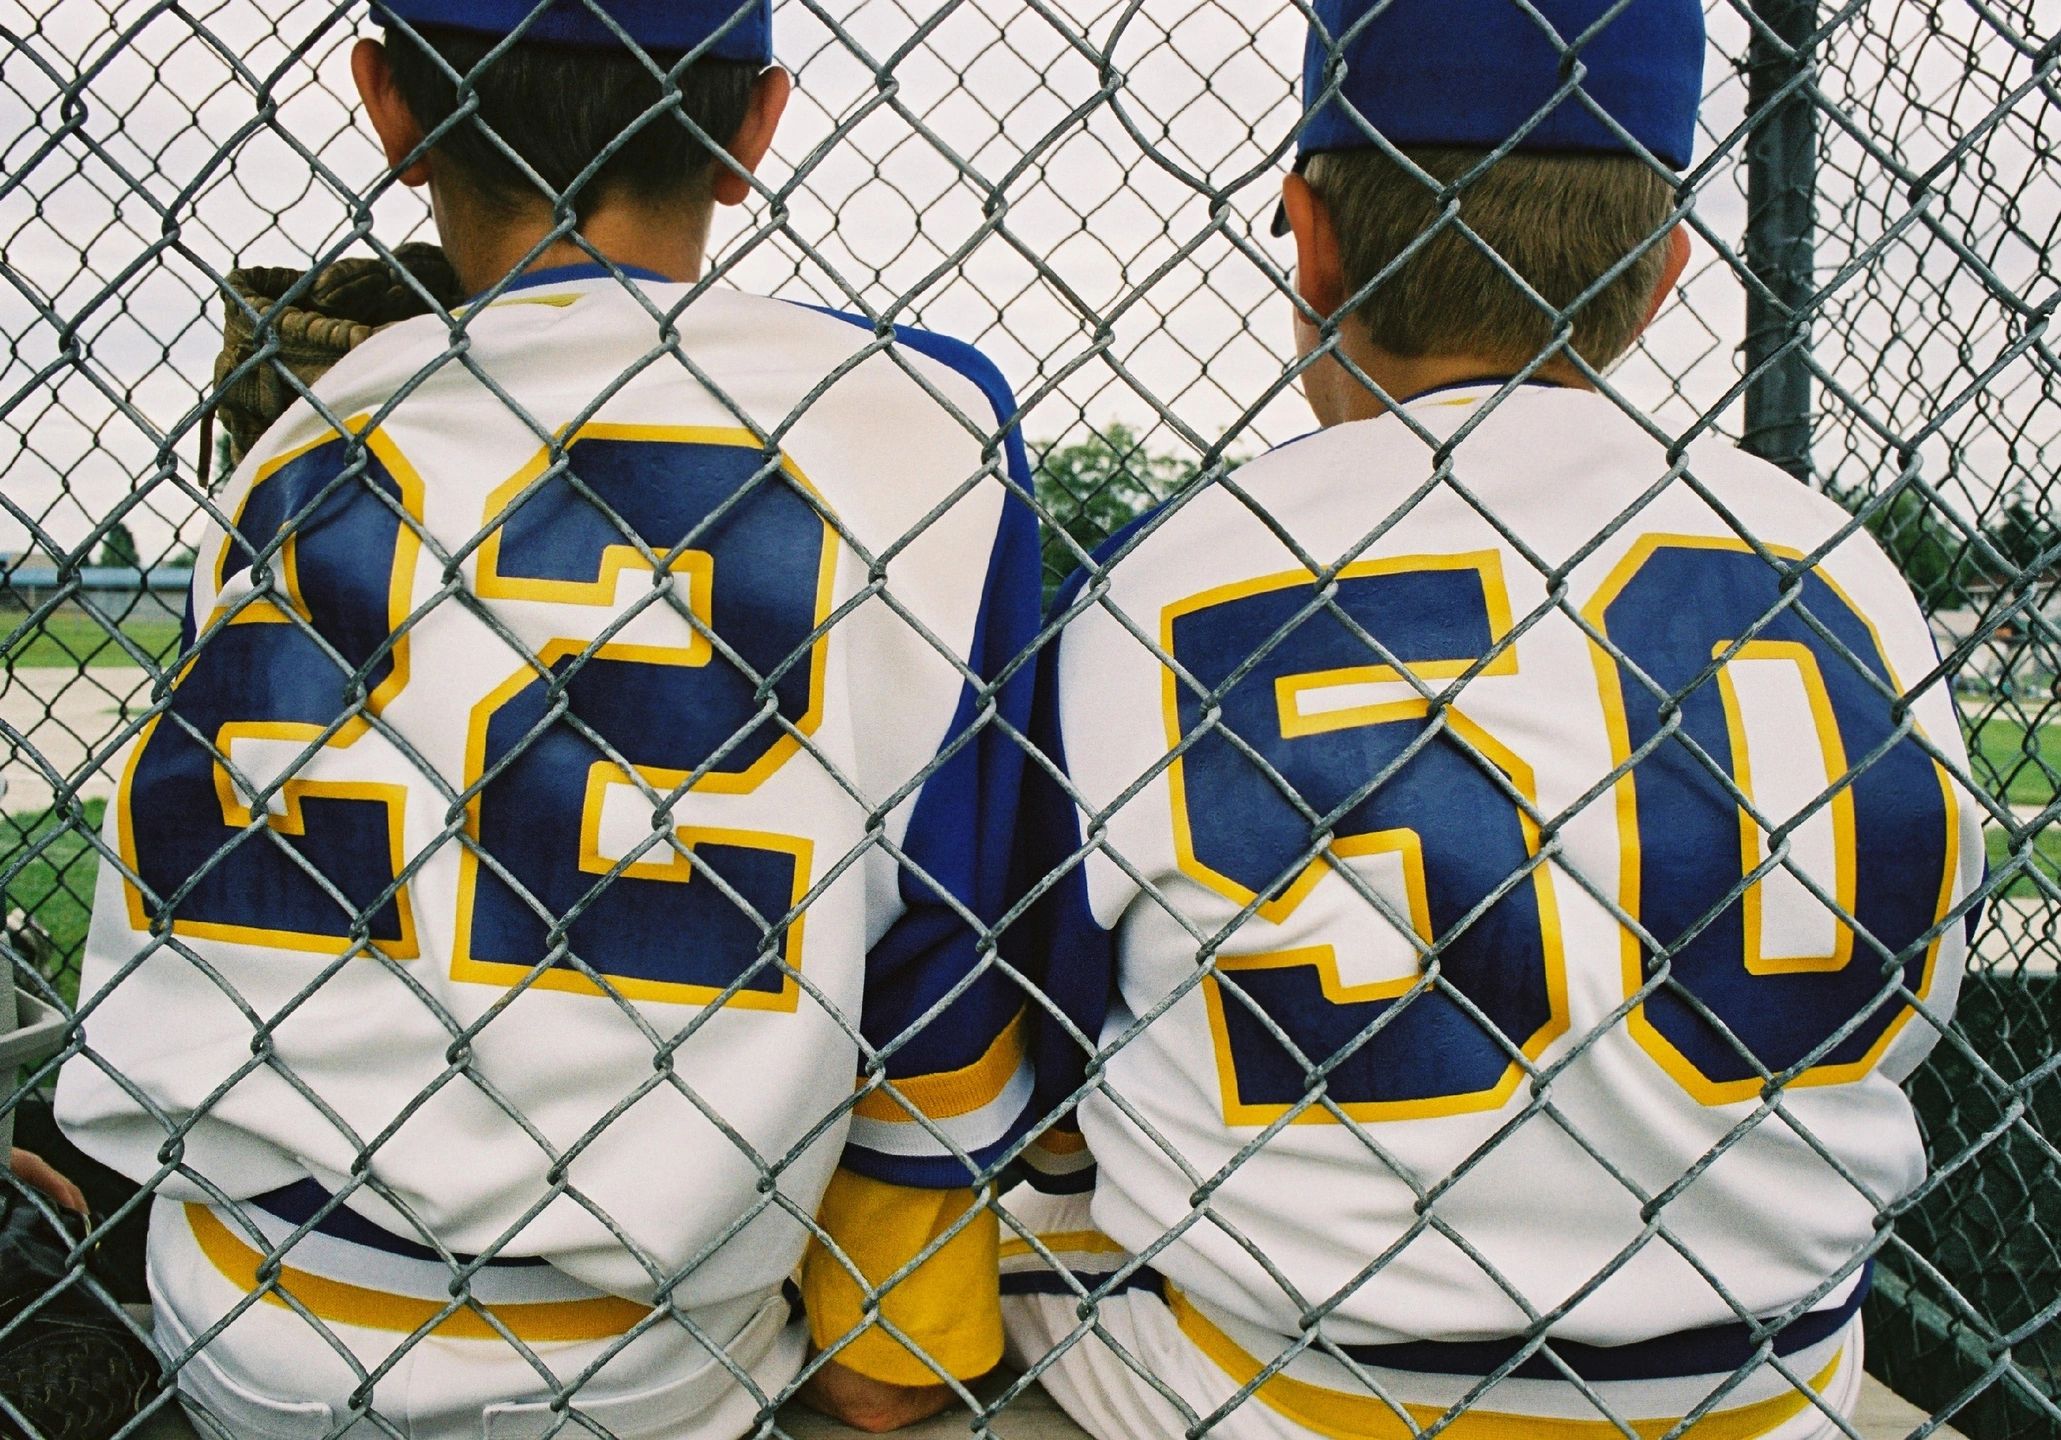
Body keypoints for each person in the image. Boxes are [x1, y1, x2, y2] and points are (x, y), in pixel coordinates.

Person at [56, 2, 1041, 1435]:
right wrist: (899, 1353)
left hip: (234, 1303)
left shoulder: (299, 431)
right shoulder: (916, 416)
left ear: (387, 104)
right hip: (617, 1354)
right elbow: (945, 949)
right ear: (754, 125)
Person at [1006, 2, 1983, 1437]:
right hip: (1769, 1384)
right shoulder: (1839, 565)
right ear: (1660, 277)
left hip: (1292, 1391)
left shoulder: (1176, 569)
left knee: (1007, 1192)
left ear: (1310, 236)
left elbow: (1036, 1026)